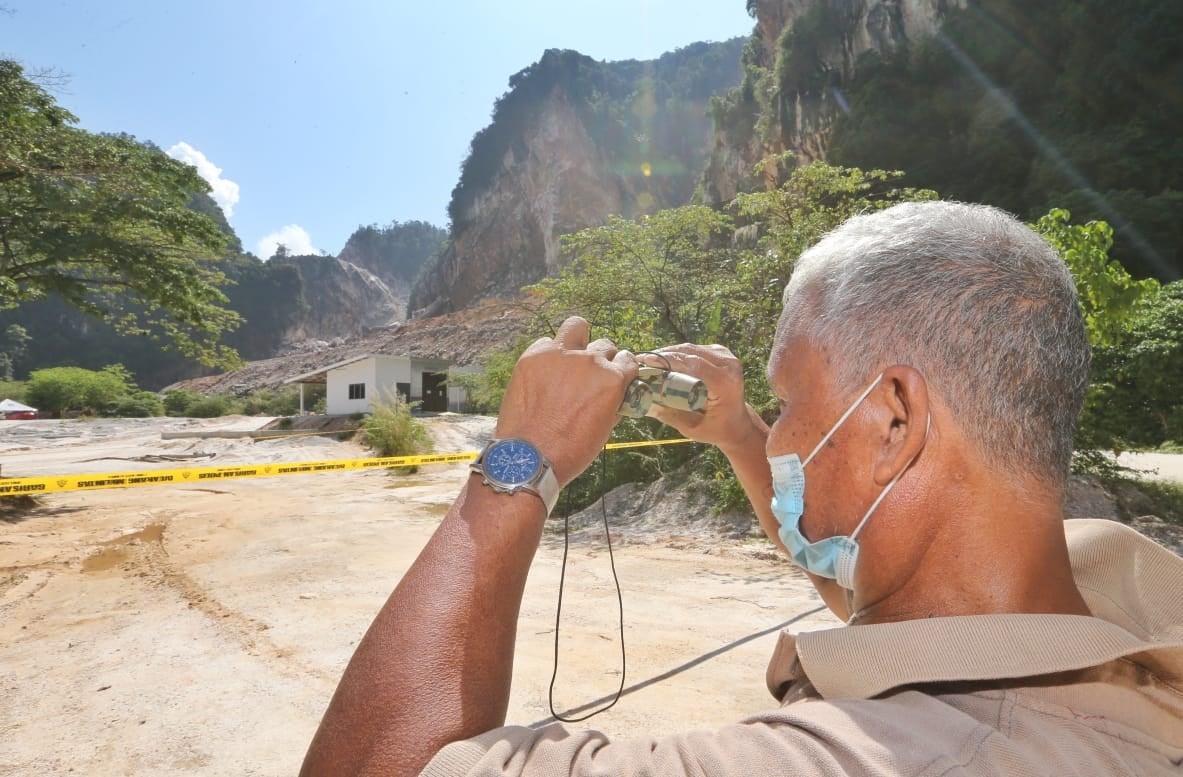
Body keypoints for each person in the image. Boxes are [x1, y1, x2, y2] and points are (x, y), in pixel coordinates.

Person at [300, 201, 1183, 777]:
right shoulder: (1110, 595)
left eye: (789, 400)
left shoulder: (884, 758)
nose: (783, 428)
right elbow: (875, 583)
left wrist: (520, 459)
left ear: (893, 422)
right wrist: (734, 429)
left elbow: (375, 763)